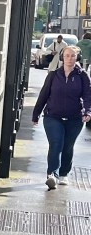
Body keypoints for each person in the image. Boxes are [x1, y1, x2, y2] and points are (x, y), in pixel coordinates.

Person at [32, 45, 91, 190]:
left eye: (72, 55)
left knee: (67, 146)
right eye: (67, 55)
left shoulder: (82, 76)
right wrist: (36, 114)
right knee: (56, 143)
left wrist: (87, 111)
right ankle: (52, 174)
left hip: (75, 118)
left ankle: (64, 173)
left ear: (77, 57)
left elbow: (88, 96)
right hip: (53, 116)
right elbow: (44, 95)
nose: (69, 58)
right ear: (62, 57)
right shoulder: (53, 75)